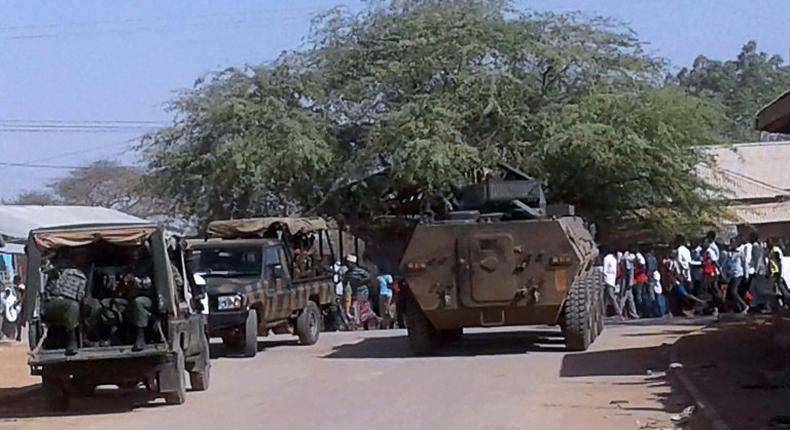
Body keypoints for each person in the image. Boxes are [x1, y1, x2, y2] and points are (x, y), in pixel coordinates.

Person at [41, 252, 90, 356]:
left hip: (73, 304)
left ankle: (86, 338)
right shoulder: (59, 265)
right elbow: (44, 267)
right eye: (79, 254)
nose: (82, 257)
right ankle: (72, 341)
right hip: (53, 302)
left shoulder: (84, 273)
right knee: (72, 306)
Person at [343, 255, 380, 329]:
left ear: (353, 263)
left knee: (356, 305)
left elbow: (369, 277)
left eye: (349, 263)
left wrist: (362, 281)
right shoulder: (347, 273)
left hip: (363, 291)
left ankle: (358, 322)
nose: (348, 264)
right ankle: (374, 319)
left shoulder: (360, 271)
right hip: (354, 292)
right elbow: (345, 281)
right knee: (363, 308)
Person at [725, 239, 749, 314]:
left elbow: (745, 264)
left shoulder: (740, 253)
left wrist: (746, 275)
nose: (732, 245)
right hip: (731, 275)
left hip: (738, 274)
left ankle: (744, 306)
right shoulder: (729, 254)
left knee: (733, 291)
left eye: (733, 243)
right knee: (729, 293)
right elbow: (726, 264)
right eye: (731, 243)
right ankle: (738, 308)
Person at [602, 251, 622, 317]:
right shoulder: (613, 259)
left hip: (607, 280)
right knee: (605, 297)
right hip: (611, 280)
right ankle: (603, 312)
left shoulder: (606, 259)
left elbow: (604, 270)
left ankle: (617, 311)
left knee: (610, 296)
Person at [13, 276, 25, 341]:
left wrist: (18, 303)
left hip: (21, 306)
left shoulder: (21, 287)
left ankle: (19, 336)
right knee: (18, 322)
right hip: (20, 305)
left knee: (18, 322)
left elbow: (22, 296)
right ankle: (18, 336)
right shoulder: (20, 287)